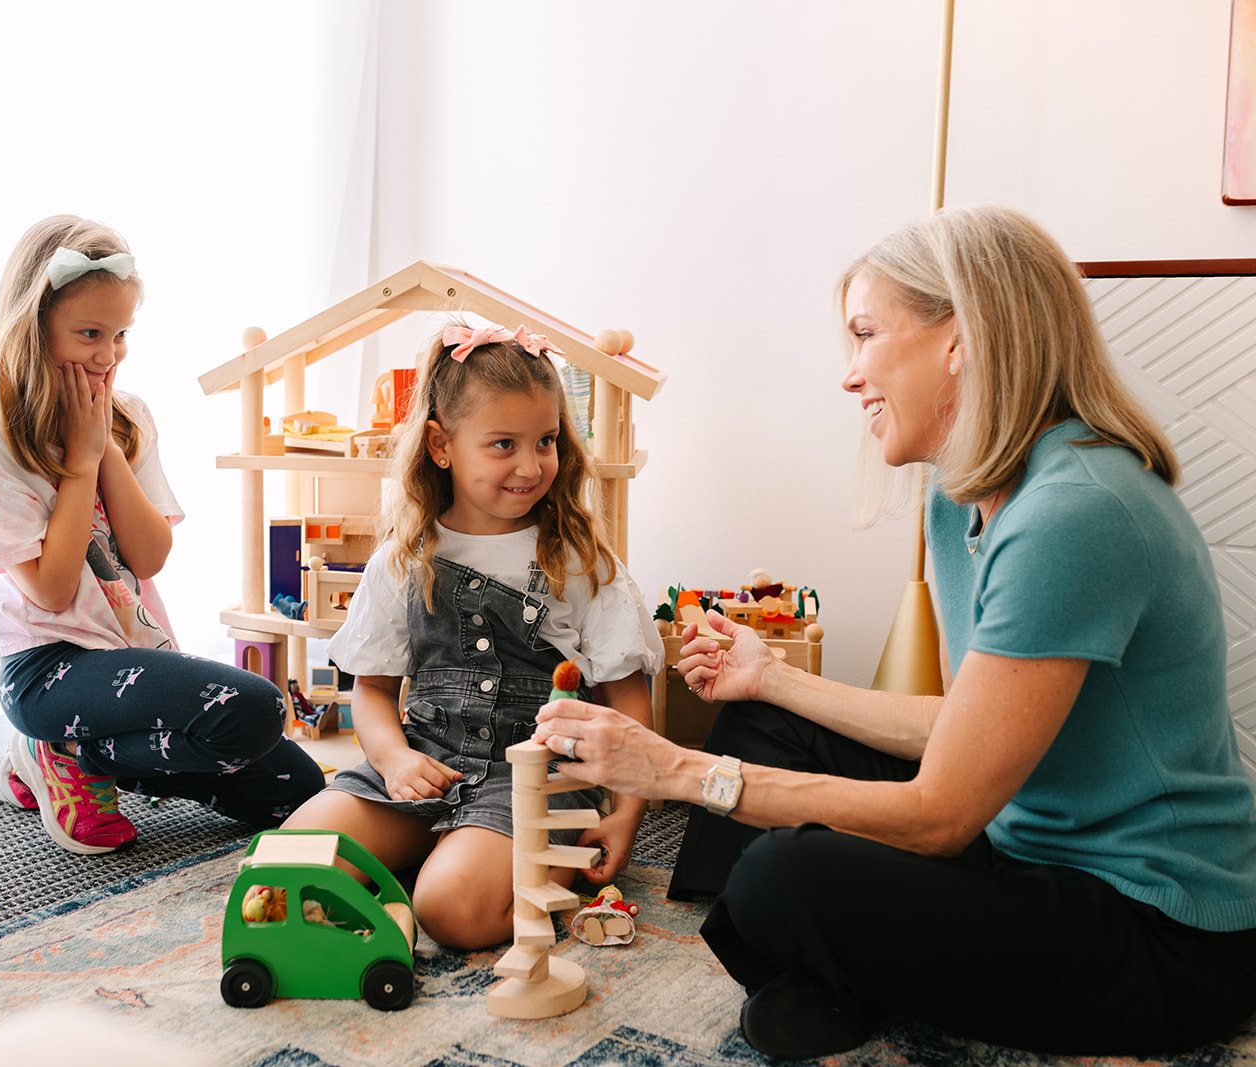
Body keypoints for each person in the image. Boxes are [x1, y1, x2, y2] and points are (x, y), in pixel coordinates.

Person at [533, 204, 1256, 1058]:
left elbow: (943, 813)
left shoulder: (1079, 511)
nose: (850, 375)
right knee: (759, 723)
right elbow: (963, 727)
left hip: (1157, 929)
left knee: (776, 870)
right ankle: (849, 960)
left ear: (961, 338)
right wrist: (770, 677)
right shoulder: (964, 495)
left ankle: (838, 963)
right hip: (1021, 845)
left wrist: (675, 770)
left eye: (867, 334)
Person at [0, 215, 324, 855]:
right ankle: (53, 744)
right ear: (32, 327)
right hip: (47, 668)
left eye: (119, 335)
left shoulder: (130, 419)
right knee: (255, 707)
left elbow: (149, 556)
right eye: (89, 334)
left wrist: (106, 446)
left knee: (303, 793)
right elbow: (52, 591)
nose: (107, 354)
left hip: (136, 649)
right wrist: (80, 463)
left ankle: (87, 756)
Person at [282, 321, 664, 950]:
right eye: (503, 444)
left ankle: (456, 867)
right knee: (289, 866)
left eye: (545, 441)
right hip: (425, 763)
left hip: (538, 778)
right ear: (440, 445)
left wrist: (626, 810)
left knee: (451, 912)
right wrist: (395, 759)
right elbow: (373, 691)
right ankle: (437, 846)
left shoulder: (578, 558)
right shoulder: (404, 557)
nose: (531, 464)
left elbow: (627, 699)